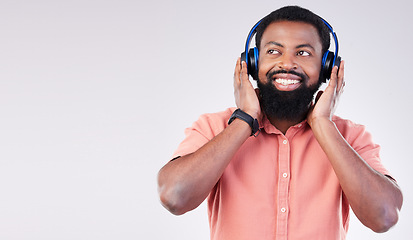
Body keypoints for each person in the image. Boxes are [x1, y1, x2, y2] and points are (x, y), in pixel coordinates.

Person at [157, 5, 403, 240]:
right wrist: (244, 120)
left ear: (327, 67)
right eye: (274, 51)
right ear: (252, 62)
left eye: (303, 53)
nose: (287, 63)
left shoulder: (351, 136)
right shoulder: (215, 127)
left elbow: (383, 217)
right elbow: (175, 197)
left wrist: (322, 124)